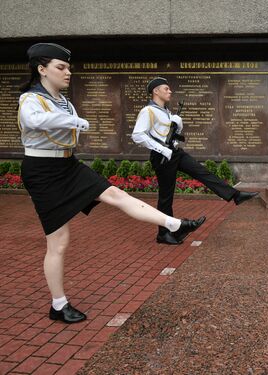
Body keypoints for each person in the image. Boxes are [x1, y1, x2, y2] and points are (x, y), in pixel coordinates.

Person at [18, 43, 206, 324]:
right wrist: (75, 121)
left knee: (116, 194)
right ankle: (58, 305)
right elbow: (32, 121)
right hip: (42, 171)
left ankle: (173, 225)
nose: (68, 72)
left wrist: (71, 118)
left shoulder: (64, 101)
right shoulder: (31, 99)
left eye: (68, 67)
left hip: (68, 165)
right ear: (41, 70)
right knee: (58, 243)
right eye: (61, 67)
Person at [132, 77, 258, 245]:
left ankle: (235, 195)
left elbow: (171, 132)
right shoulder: (148, 111)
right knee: (166, 197)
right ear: (156, 91)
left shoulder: (166, 111)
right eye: (166, 89)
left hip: (175, 152)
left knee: (202, 171)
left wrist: (178, 124)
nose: (170, 91)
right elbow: (137, 135)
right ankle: (163, 233)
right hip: (162, 157)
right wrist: (163, 150)